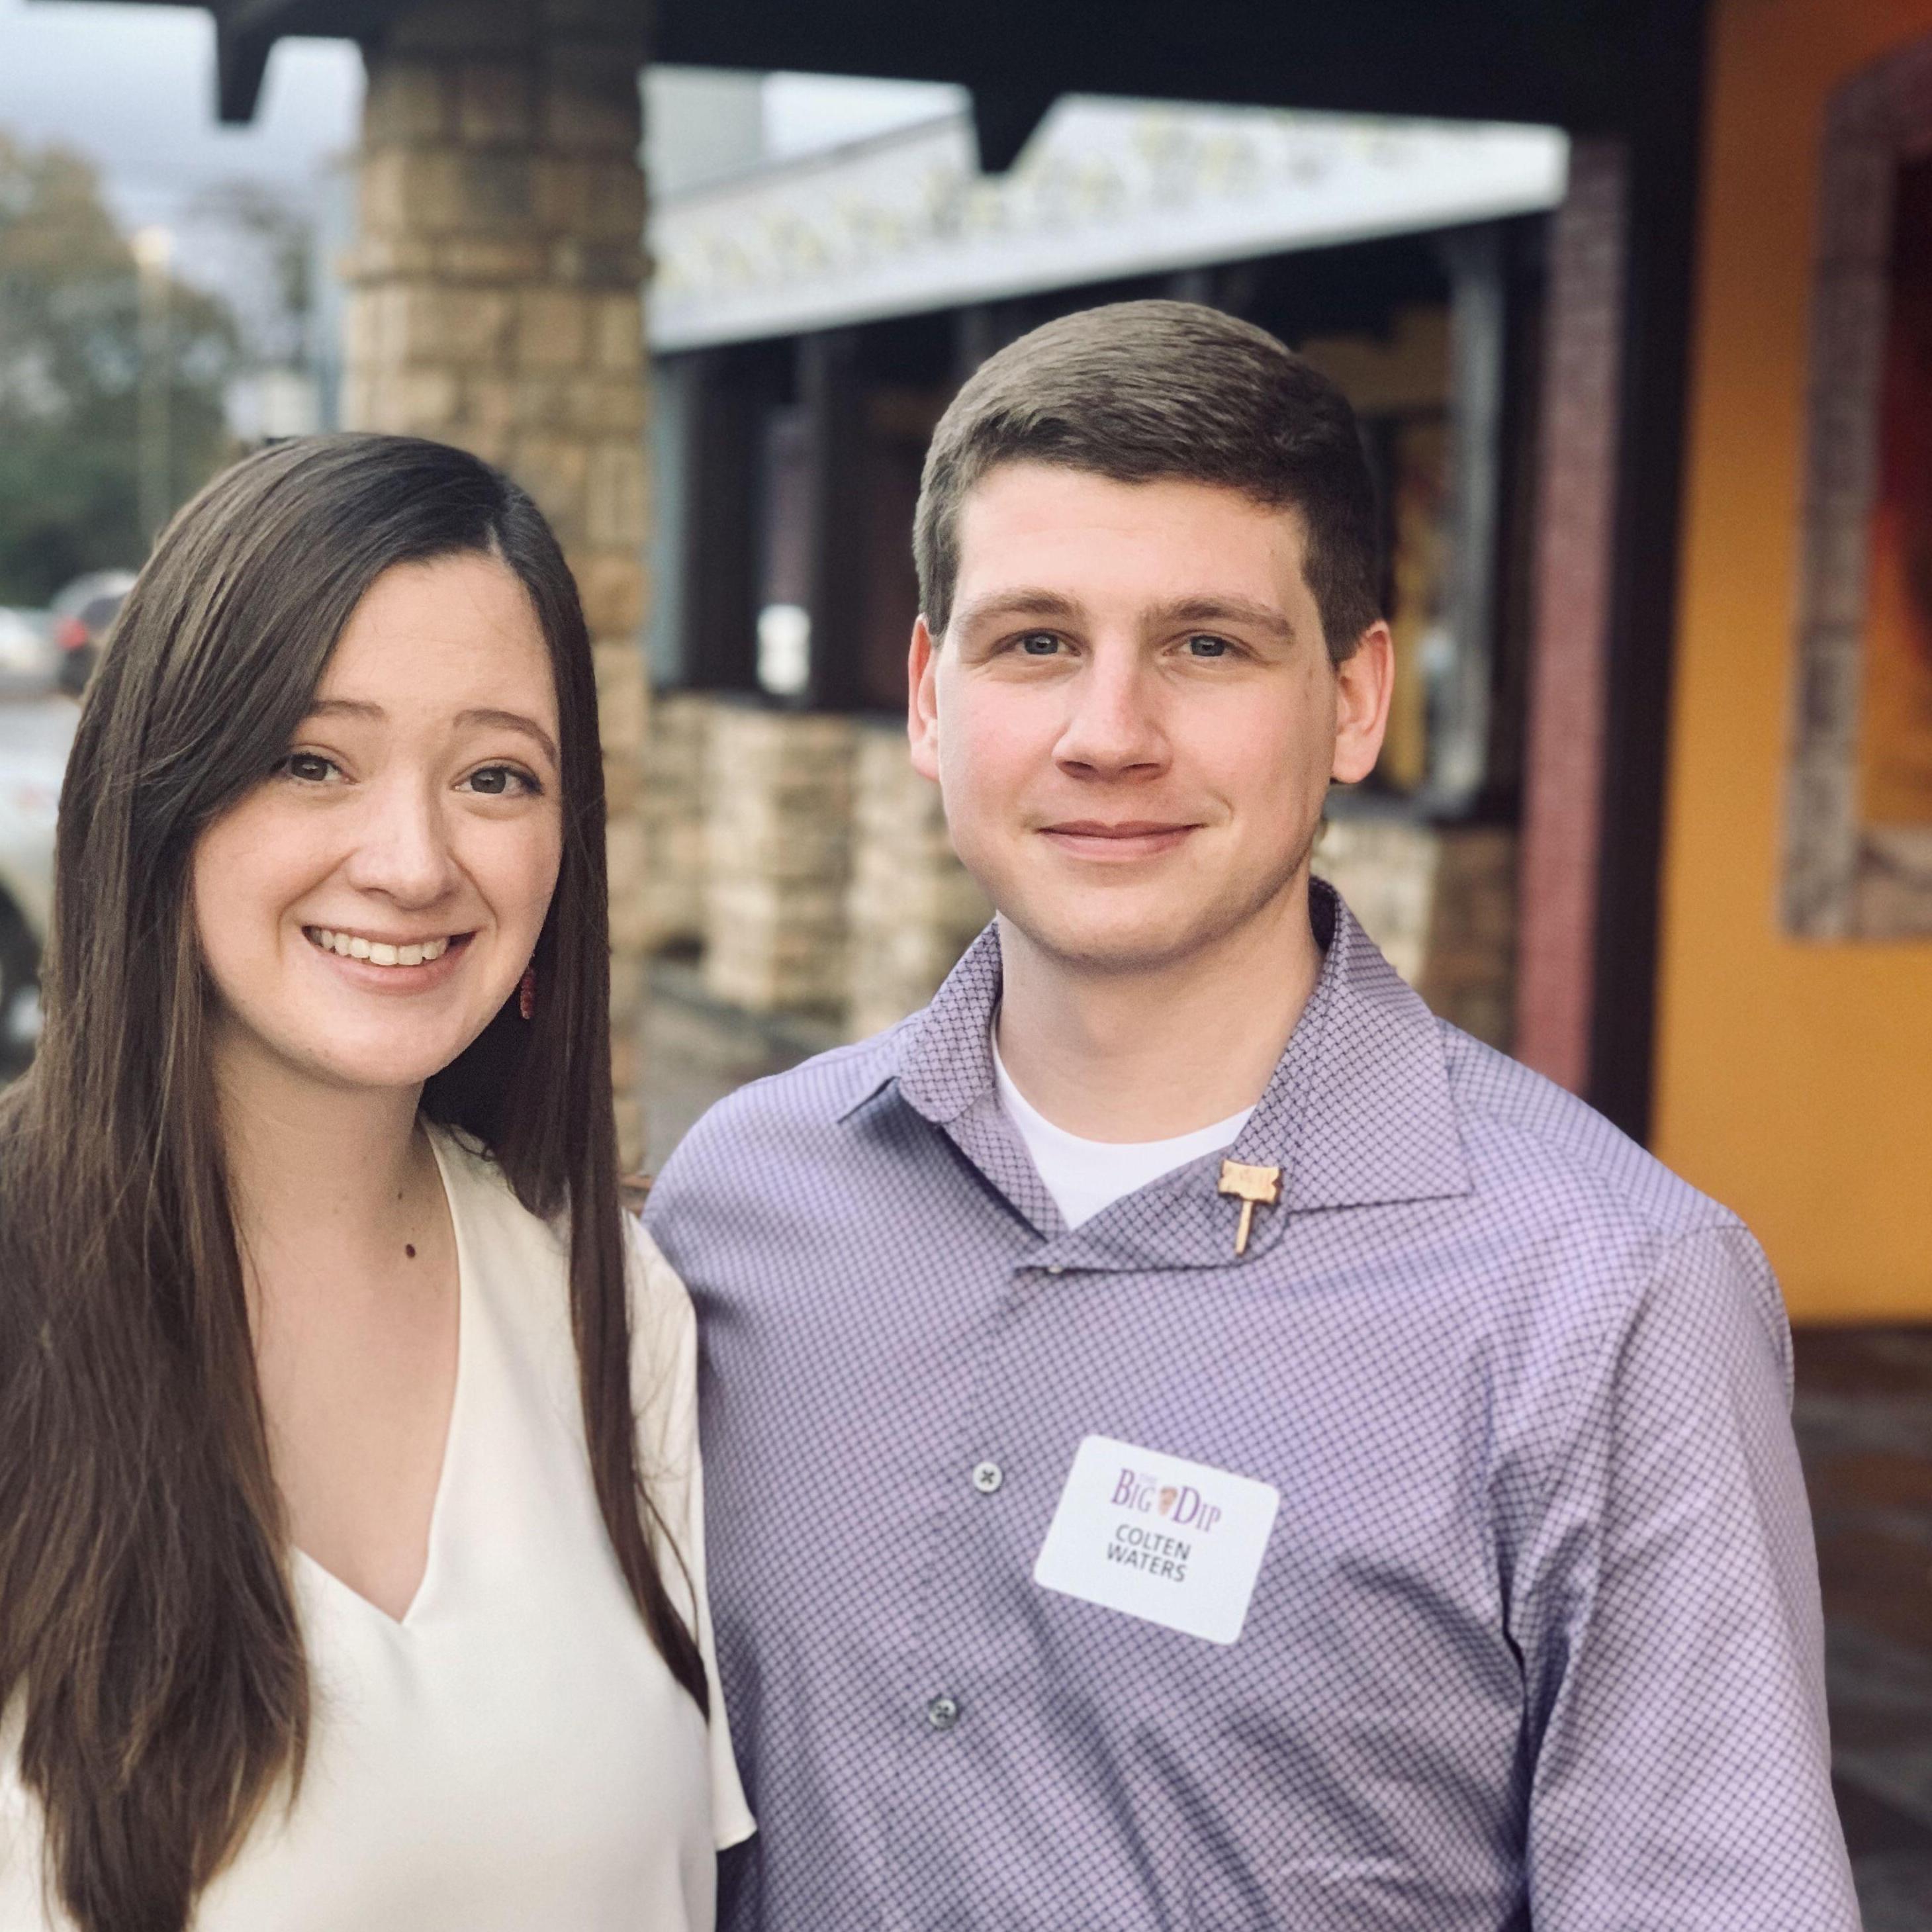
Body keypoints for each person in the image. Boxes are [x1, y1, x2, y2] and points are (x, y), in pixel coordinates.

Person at [647, 301, 1859, 1930]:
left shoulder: (1606, 1300)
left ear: (1353, 699)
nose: (1108, 732)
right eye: (1034, 642)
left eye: (1207, 644)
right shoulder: (741, 1204)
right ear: (932, 697)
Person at [0, 436, 750, 1932]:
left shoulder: (614, 1301)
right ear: (162, 792)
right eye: (310, 759)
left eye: (494, 774)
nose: (412, 861)